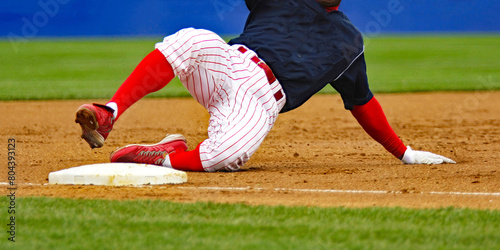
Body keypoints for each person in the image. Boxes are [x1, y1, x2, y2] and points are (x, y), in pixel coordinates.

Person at [75, 0, 455, 172]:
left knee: (225, 158)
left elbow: (363, 102)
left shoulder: (349, 42)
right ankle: (110, 112)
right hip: (229, 64)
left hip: (259, 105)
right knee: (189, 40)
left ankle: (164, 155)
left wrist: (404, 153)